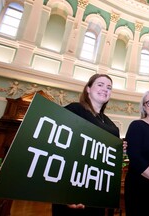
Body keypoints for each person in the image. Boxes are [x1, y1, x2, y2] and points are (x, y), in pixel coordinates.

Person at [51, 74, 120, 216]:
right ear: (88, 89)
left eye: (109, 87)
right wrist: (63, 192)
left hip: (97, 191)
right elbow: (57, 149)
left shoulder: (111, 124)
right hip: (70, 189)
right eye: (100, 85)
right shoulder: (75, 110)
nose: (105, 89)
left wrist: (118, 148)